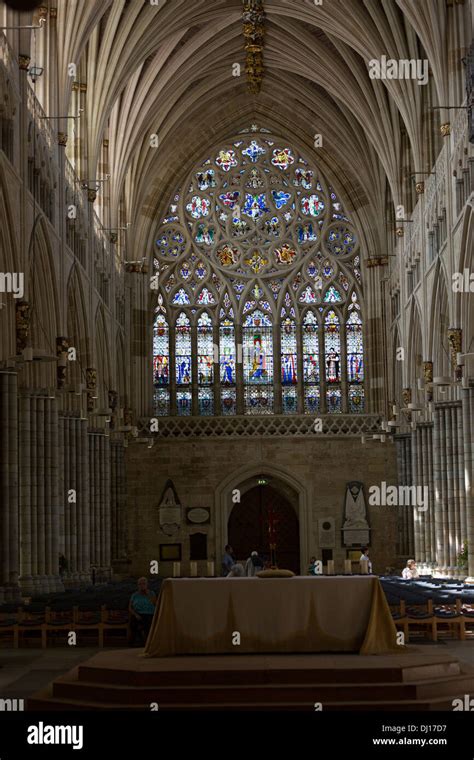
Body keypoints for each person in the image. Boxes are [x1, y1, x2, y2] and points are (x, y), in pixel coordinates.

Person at [128, 577, 157, 647]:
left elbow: (156, 604)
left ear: (147, 585)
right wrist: (135, 614)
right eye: (140, 584)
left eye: (144, 584)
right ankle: (136, 642)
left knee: (148, 624)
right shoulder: (135, 595)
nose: (142, 586)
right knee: (133, 624)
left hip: (149, 614)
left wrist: (148, 594)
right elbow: (130, 607)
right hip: (137, 614)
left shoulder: (151, 593)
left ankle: (147, 642)